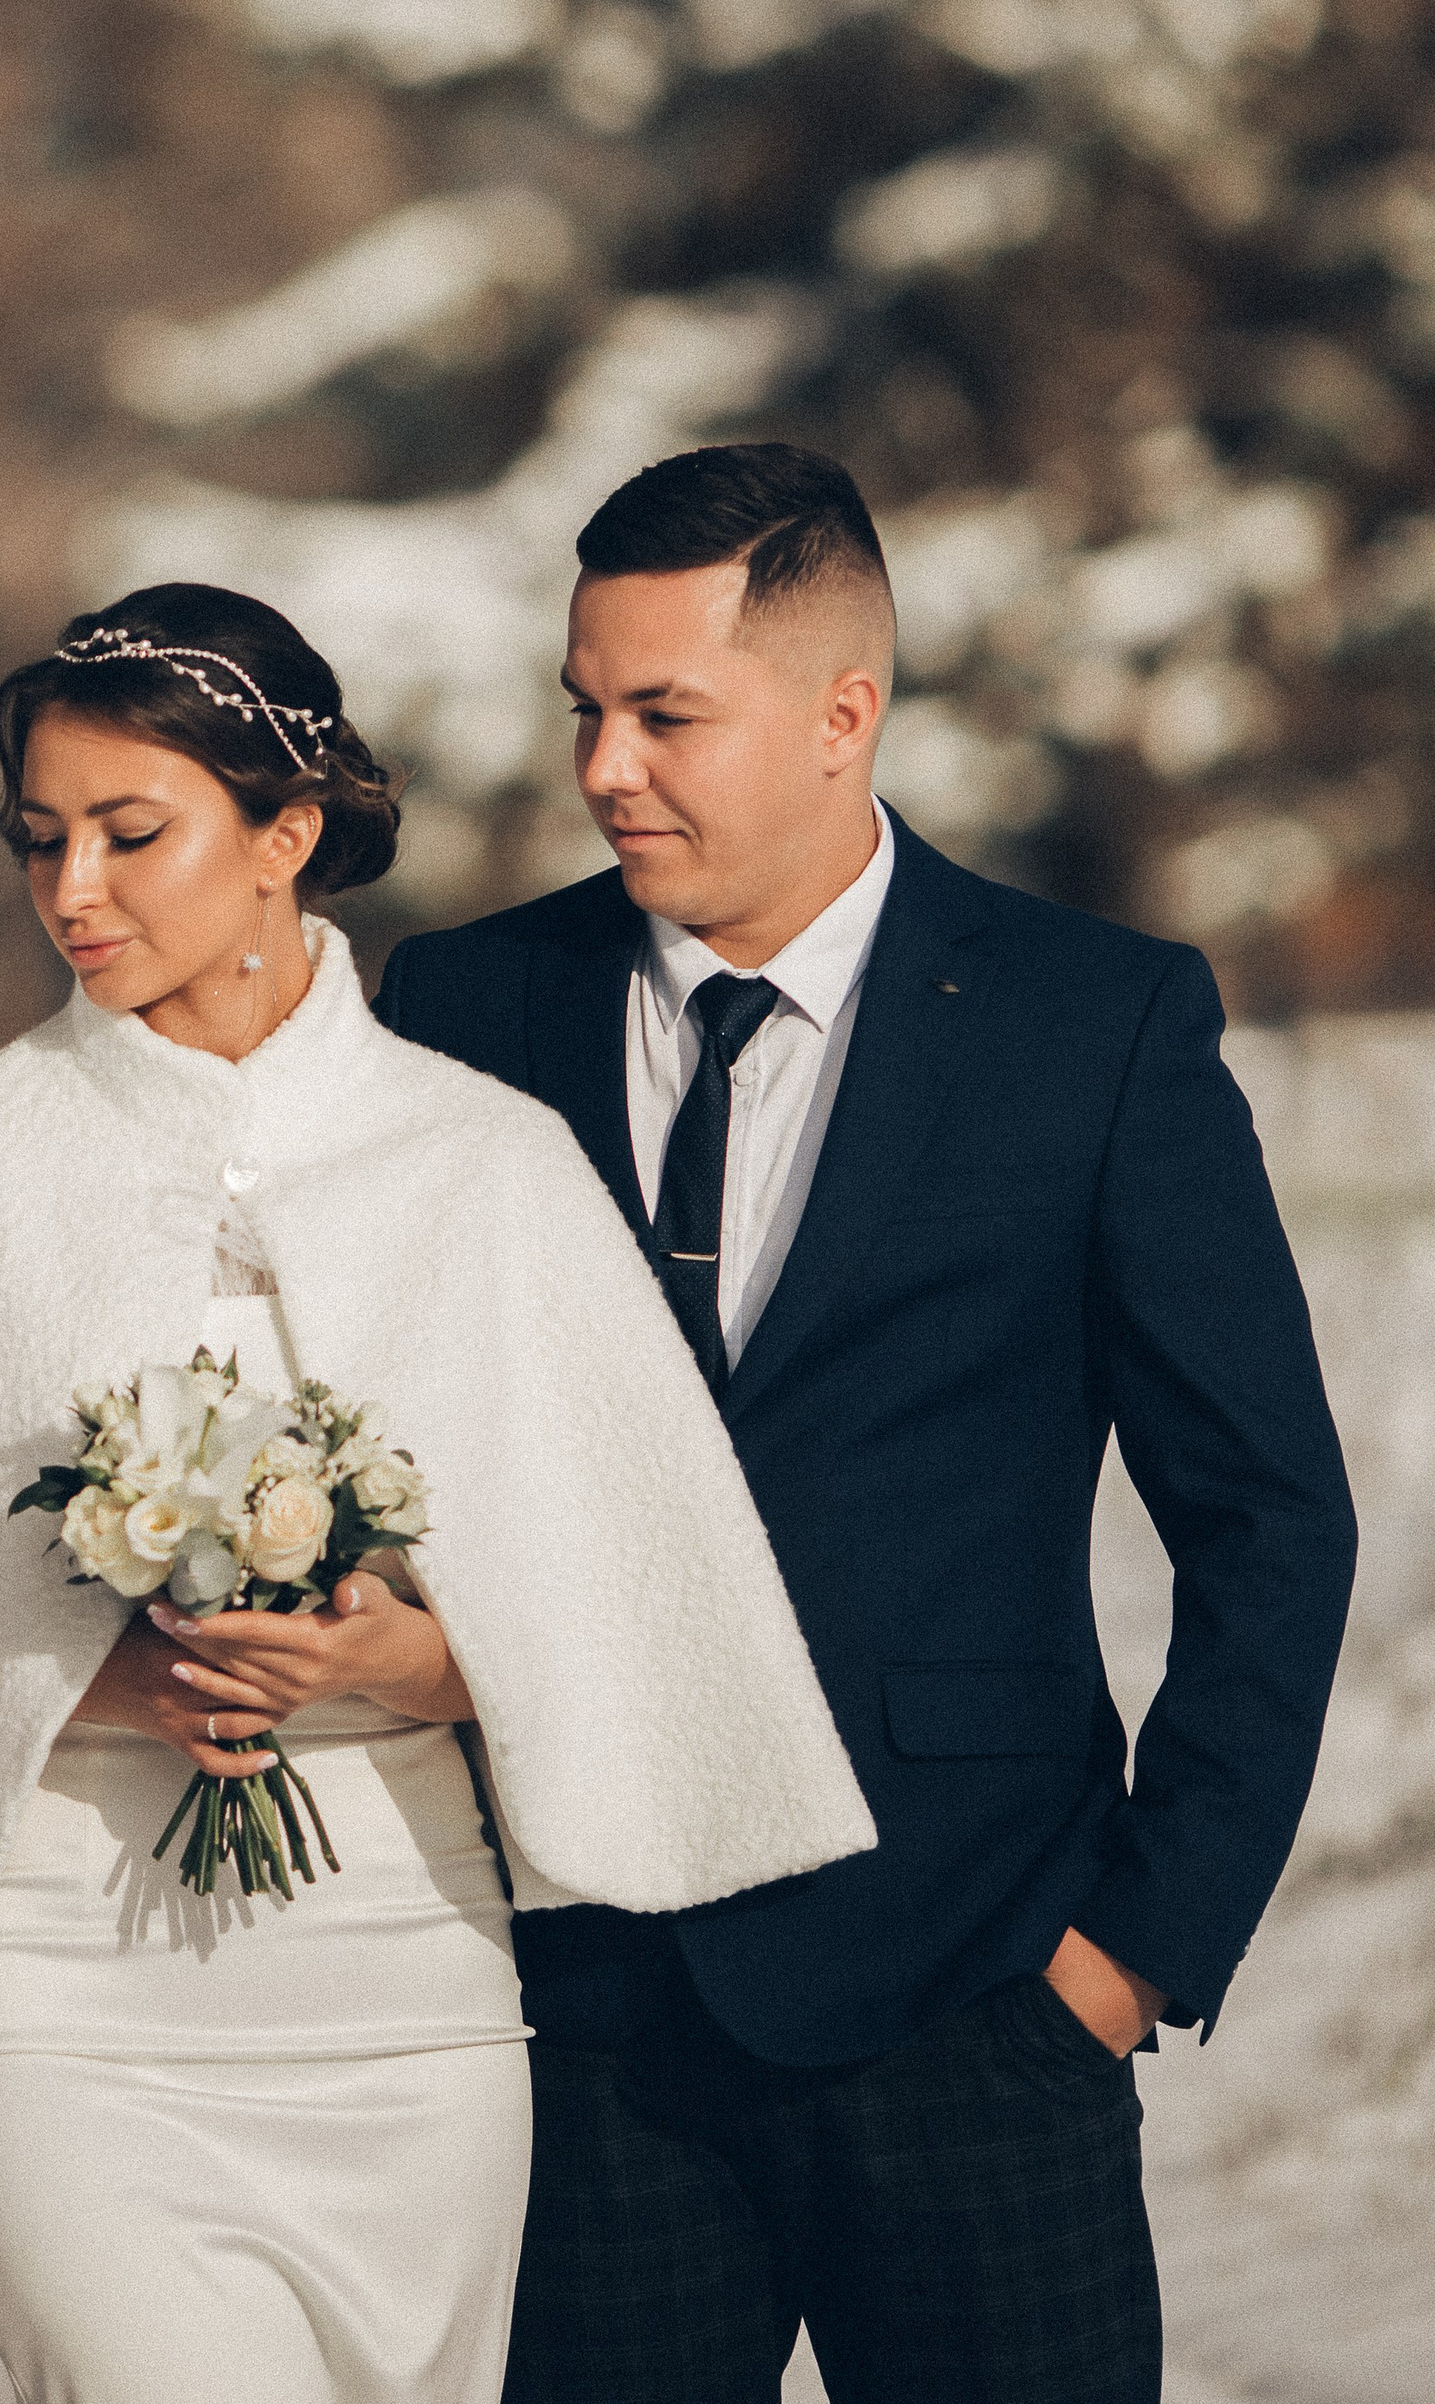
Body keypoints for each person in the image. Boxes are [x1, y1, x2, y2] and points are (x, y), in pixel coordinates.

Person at [0, 581, 873, 2404]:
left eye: (134, 835)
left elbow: (624, 1620)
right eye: (41, 841)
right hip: (58, 1984)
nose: (75, 892)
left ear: (287, 835)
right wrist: (84, 1675)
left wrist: (405, 1663)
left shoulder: (487, 1169)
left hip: (407, 1988)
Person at [373, 444, 1359, 2404]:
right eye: (586, 710)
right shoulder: (467, 1009)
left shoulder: (1092, 1026)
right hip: (581, 2021)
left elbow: (1267, 1517)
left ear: (842, 712)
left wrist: (1127, 1956)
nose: (602, 769)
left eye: (665, 714)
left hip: (977, 1999)